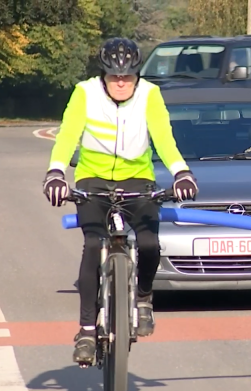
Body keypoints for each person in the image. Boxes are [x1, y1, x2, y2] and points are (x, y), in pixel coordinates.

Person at [42, 37, 199, 365]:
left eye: (128, 77)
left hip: (137, 179)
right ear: (104, 75)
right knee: (92, 245)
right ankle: (86, 330)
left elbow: (164, 139)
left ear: (138, 75)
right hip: (92, 180)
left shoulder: (150, 95)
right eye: (115, 77)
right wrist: (56, 174)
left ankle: (143, 297)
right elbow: (68, 134)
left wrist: (181, 173)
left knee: (149, 242)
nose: (122, 83)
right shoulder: (85, 93)